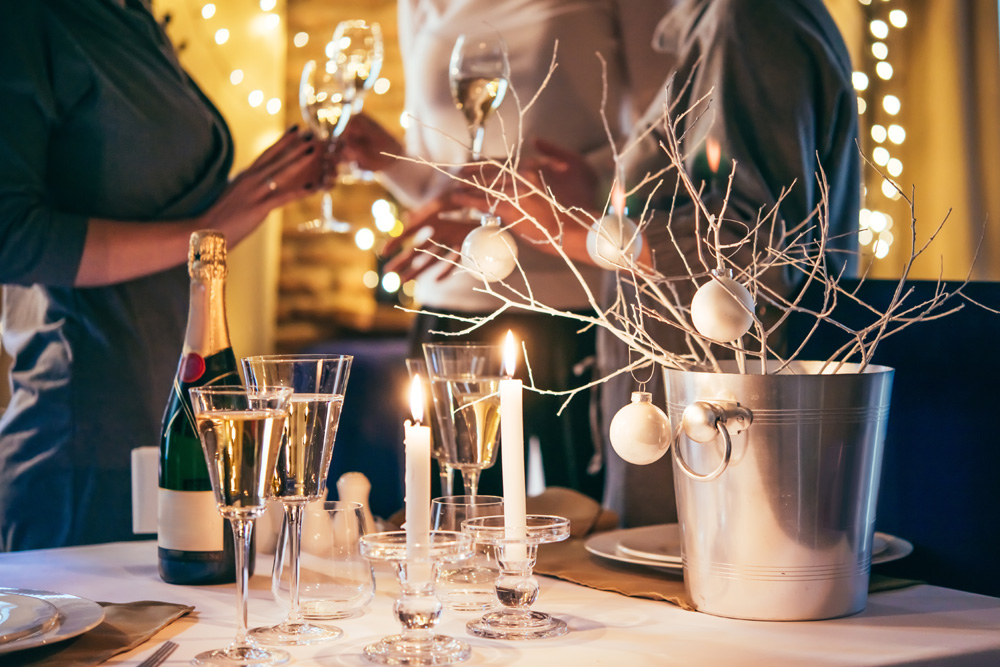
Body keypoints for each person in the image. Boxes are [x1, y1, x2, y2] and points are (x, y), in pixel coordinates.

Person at [439, 0, 860, 525]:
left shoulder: (746, 19)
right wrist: (594, 200)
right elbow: (707, 204)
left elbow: (747, 248)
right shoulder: (722, 22)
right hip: (696, 407)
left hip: (718, 420)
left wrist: (572, 232)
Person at [0, 0, 327, 550]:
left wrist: (252, 198)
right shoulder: (29, 16)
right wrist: (204, 232)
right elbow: (11, 237)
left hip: (176, 420)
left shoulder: (136, 15)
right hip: (85, 444)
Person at [337, 0, 675, 500]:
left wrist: (592, 188)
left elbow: (667, 129)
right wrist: (391, 164)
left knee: (579, 520)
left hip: (569, 299)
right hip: (452, 304)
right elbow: (448, 182)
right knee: (451, 522)